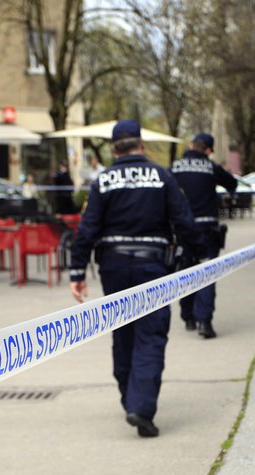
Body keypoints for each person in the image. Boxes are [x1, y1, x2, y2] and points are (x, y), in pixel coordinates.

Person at [69, 120, 206, 438]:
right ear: (141, 146)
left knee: (123, 333)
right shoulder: (161, 176)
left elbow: (88, 228)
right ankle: (141, 407)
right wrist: (200, 255)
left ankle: (129, 398)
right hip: (152, 268)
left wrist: (77, 272)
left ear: (115, 149)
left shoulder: (104, 180)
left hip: (113, 267)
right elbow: (184, 220)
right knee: (151, 334)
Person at [170, 132, 237, 338]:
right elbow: (232, 184)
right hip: (207, 229)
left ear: (190, 146)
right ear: (207, 150)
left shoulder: (174, 167)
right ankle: (204, 322)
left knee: (186, 272)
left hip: (182, 229)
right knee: (207, 273)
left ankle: (188, 317)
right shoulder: (211, 167)